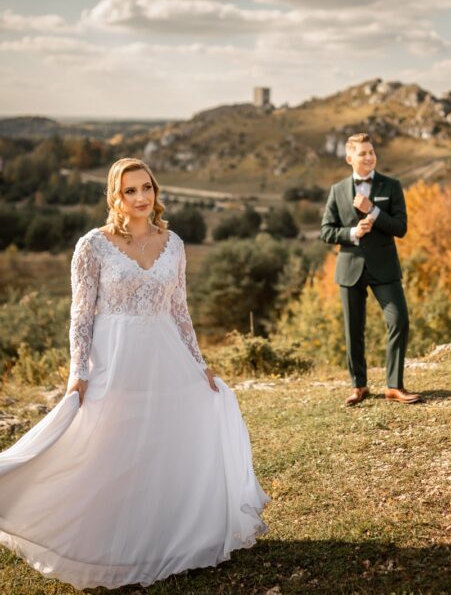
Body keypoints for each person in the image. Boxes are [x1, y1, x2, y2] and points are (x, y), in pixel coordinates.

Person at [0, 158, 268, 590]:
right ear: (115, 196)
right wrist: (78, 371)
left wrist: (199, 363)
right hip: (115, 359)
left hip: (166, 358)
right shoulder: (93, 245)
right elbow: (81, 314)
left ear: (156, 191)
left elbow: (179, 309)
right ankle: (109, 545)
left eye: (147, 187)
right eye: (130, 190)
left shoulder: (174, 243)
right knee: (108, 449)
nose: (141, 197)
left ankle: (174, 539)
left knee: (167, 446)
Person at [321, 133, 421, 406]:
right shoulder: (337, 190)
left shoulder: (392, 185)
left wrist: (373, 211)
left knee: (399, 320)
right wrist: (353, 232)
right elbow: (326, 231)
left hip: (384, 267)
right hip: (350, 268)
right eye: (362, 153)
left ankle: (394, 386)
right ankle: (359, 386)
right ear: (349, 158)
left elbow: (401, 228)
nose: (369, 157)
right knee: (353, 329)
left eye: (371, 152)